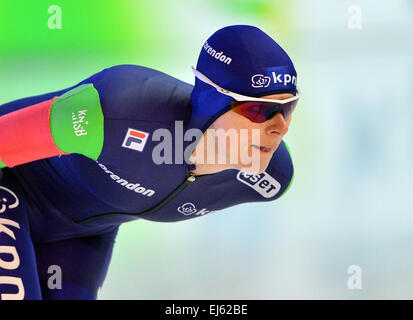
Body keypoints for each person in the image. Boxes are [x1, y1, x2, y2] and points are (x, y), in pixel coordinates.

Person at [0, 25, 299, 300]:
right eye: (260, 110)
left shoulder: (271, 178)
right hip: (13, 192)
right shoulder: (118, 108)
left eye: (288, 108)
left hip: (84, 238)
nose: (280, 127)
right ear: (212, 101)